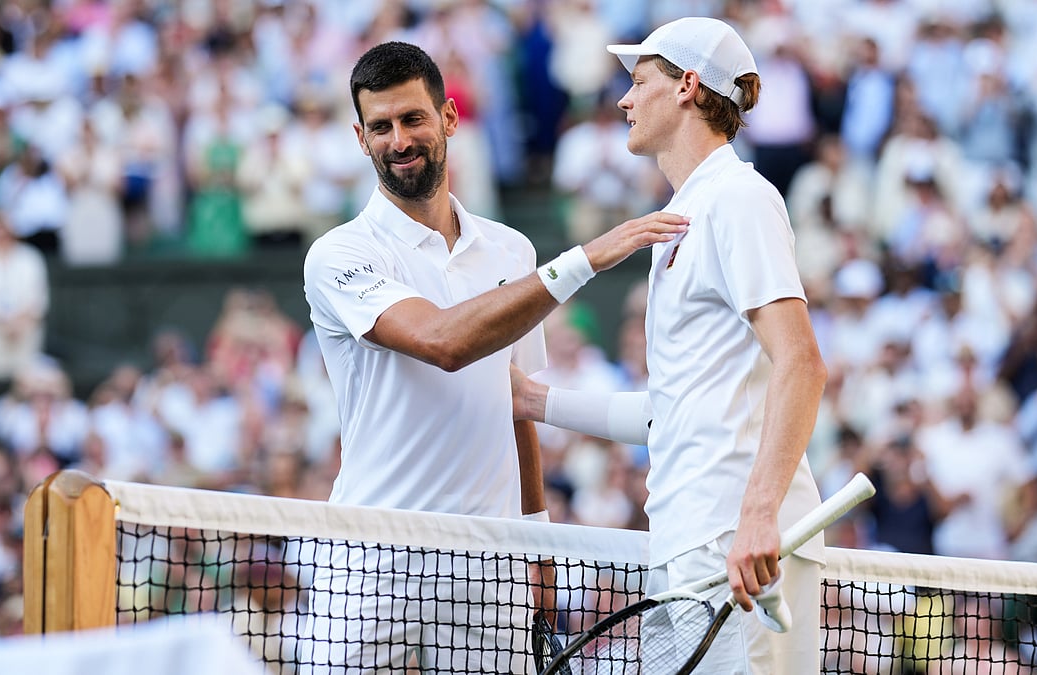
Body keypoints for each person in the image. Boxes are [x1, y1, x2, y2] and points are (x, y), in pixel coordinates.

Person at [299, 41, 688, 673]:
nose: (399, 140)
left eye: (413, 119)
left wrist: (537, 536)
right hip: (371, 556)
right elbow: (443, 343)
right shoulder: (340, 254)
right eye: (381, 127)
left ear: (449, 118)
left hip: (492, 561)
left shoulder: (511, 251)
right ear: (360, 137)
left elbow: (516, 399)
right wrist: (588, 258)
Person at [513, 17, 829, 672]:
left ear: (687, 86)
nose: (625, 100)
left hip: (739, 542)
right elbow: (670, 413)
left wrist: (760, 513)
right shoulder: (683, 221)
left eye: (638, 81)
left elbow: (801, 360)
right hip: (691, 541)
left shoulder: (738, 197)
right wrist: (533, 400)